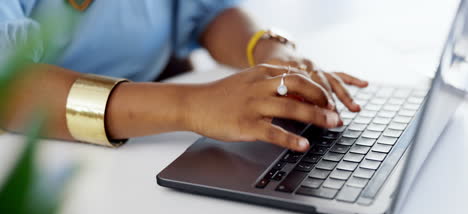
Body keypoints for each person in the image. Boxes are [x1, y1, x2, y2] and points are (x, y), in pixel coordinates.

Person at [0, 0, 368, 152]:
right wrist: (192, 106)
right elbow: (9, 86)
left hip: (142, 141)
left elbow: (208, 11)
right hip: (35, 150)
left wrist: (268, 49)